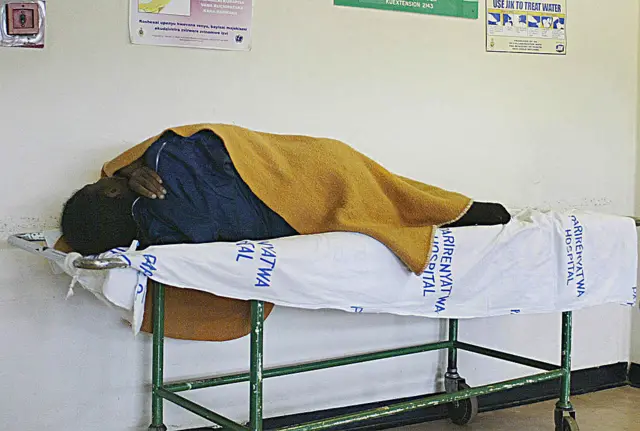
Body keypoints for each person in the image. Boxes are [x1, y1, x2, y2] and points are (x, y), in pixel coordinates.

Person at [61, 127, 511, 257]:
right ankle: (458, 210)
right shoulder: (162, 161)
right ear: (112, 194)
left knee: (382, 206)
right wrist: (140, 162)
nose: (104, 173)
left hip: (296, 191)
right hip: (311, 167)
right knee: (386, 194)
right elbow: (209, 138)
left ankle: (447, 211)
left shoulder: (163, 236)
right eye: (98, 182)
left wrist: (129, 167)